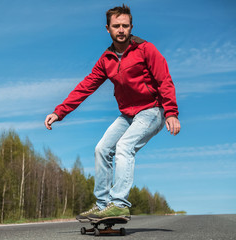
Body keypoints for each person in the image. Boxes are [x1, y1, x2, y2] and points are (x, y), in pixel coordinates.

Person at [44, 4, 180, 220]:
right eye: (116, 26)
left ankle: (119, 204)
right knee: (101, 149)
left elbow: (164, 80)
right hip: (128, 115)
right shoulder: (106, 60)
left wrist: (171, 112)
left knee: (124, 146)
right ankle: (103, 205)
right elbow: (85, 87)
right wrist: (60, 112)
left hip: (152, 111)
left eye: (125, 26)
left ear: (131, 27)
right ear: (107, 28)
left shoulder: (146, 49)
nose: (121, 30)